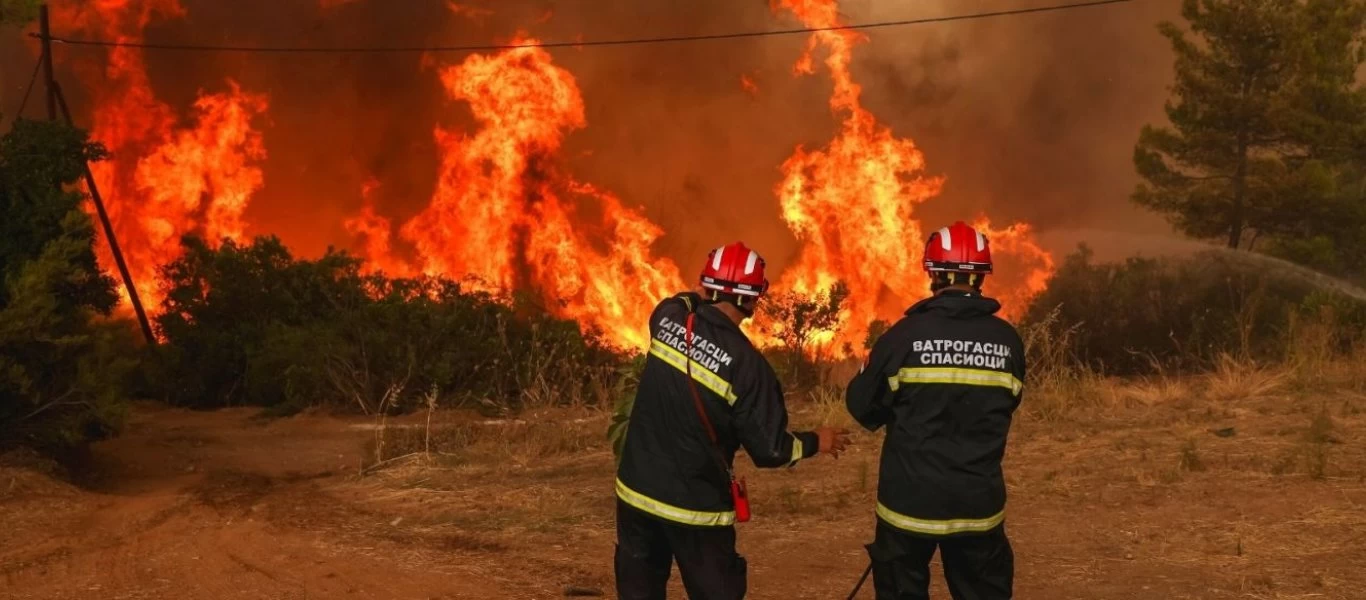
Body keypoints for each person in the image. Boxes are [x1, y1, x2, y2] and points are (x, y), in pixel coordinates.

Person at [615, 241, 850, 600]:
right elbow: (771, 450)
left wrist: (702, 292)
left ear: (705, 287)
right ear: (754, 300)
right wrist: (818, 440)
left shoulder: (667, 318)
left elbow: (683, 299)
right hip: (697, 510)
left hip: (636, 495)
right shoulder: (749, 368)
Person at [846, 221, 1025, 599]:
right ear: (981, 277)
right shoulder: (1008, 341)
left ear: (933, 273)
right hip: (977, 506)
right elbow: (1008, 402)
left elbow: (862, 409)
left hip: (909, 505)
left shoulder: (902, 337)